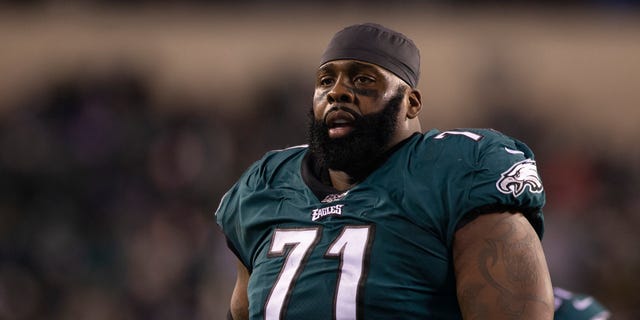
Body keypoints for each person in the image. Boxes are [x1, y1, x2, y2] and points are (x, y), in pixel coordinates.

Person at [215, 23, 554, 319]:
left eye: (363, 79)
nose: (338, 93)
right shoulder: (267, 185)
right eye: (325, 80)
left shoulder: (460, 169)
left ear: (412, 103)